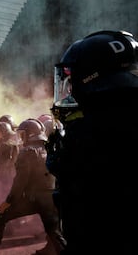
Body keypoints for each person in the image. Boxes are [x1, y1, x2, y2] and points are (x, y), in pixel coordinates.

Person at [49, 30, 138, 255]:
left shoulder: (89, 133)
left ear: (90, 77)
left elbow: (84, 217)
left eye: (72, 79)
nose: (70, 89)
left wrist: (57, 160)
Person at [0, 118, 64, 255]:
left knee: (2, 214)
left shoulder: (27, 152)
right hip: (49, 198)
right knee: (54, 232)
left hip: (33, 198)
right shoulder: (50, 148)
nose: (21, 137)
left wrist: (8, 201)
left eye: (23, 134)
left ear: (30, 134)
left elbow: (20, 181)